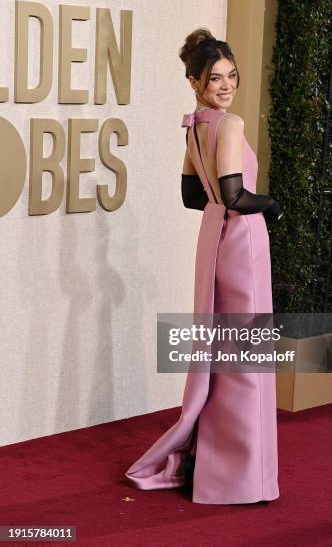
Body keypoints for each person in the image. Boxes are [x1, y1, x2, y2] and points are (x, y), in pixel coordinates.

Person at [125, 28, 280, 504]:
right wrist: (273, 205)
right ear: (195, 81)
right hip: (242, 240)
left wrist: (222, 204)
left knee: (219, 351)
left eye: (232, 76)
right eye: (216, 79)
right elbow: (236, 194)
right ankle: (243, 478)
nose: (228, 86)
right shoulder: (228, 125)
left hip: (213, 238)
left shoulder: (194, 126)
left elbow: (195, 196)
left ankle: (215, 466)